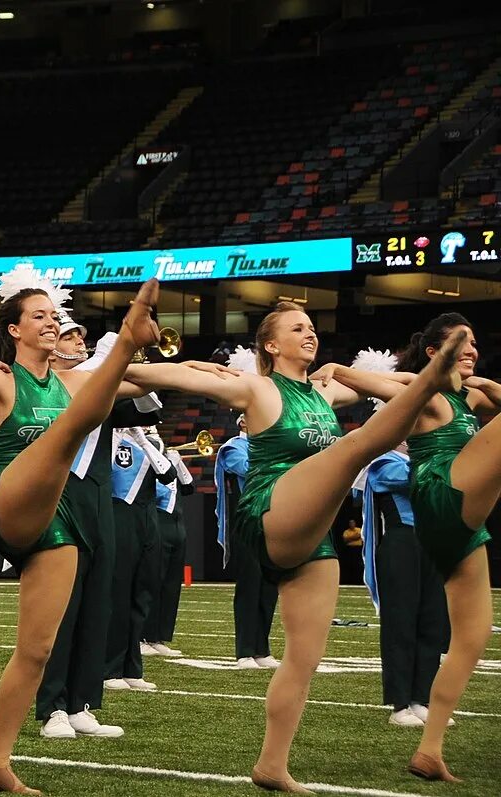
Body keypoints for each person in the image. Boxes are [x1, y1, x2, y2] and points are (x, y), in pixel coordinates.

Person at [120, 301, 467, 792]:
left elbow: (396, 387)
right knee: (355, 447)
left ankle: (272, 765)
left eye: (312, 327)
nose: (310, 334)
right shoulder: (255, 387)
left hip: (313, 531)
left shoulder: (326, 392)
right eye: (296, 328)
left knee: (305, 657)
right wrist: (148, 360)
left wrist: (434, 378)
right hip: (271, 511)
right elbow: (168, 380)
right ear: (270, 344)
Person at [0, 273, 165, 794]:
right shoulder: (1, 380)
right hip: (8, 500)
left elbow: (164, 380)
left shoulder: (74, 383)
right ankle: (125, 339)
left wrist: (242, 380)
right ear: (14, 330)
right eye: (39, 316)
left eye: (54, 315)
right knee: (72, 423)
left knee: (37, 649)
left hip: (59, 520)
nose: (52, 322)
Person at [312, 314, 494, 781]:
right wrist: (338, 368)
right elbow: (373, 384)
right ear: (434, 352)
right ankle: (400, 699)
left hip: (462, 522)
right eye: (462, 342)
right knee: (407, 616)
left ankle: (429, 745)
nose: (472, 349)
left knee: (472, 635)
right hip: (438, 495)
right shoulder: (427, 395)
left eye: (476, 343)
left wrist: (475, 376)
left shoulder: (468, 396)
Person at [34, 318, 134, 741]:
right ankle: (52, 706)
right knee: (60, 607)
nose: (80, 339)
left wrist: (118, 362)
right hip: (56, 498)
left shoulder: (98, 382)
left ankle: (83, 703)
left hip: (97, 497)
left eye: (81, 334)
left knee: (97, 603)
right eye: (71, 335)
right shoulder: (39, 387)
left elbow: (147, 408)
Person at [357, 444, 450, 728]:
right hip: (402, 543)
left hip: (433, 541)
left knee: (432, 622)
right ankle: (399, 703)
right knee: (401, 623)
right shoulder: (382, 463)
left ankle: (422, 698)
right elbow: (418, 479)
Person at [105, 423, 170, 693]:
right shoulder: (108, 439)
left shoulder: (150, 445)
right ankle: (110, 668)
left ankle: (132, 667)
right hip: (119, 515)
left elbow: (168, 476)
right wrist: (119, 435)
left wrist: (143, 440)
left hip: (148, 519)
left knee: (142, 595)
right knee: (118, 596)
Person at [215, 414, 280, 669]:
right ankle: (244, 651)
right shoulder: (233, 447)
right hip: (246, 522)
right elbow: (247, 469)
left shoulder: (265, 447)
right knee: (249, 586)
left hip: (270, 521)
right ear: (243, 422)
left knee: (268, 586)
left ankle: (262, 648)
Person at [143, 430, 194, 658]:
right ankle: (144, 635)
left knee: (171, 583)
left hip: (177, 520)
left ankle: (160, 636)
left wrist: (178, 462)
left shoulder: (167, 457)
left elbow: (188, 486)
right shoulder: (147, 455)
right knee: (152, 580)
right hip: (158, 517)